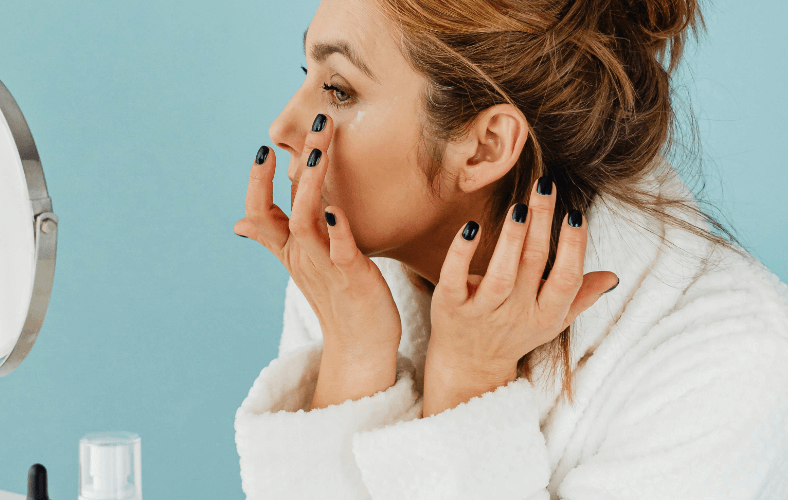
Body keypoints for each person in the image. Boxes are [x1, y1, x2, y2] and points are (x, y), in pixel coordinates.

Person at [230, 0, 788, 498]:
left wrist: (467, 385)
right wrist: (354, 357)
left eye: (338, 90)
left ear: (484, 148)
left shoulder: (726, 362)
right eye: (308, 73)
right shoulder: (346, 285)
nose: (283, 125)